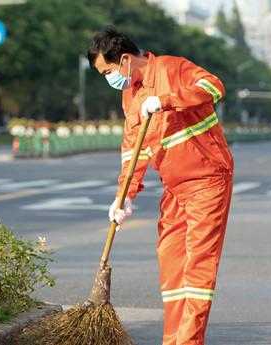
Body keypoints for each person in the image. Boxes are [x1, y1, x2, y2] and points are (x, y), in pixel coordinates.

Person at [88, 27, 234, 345]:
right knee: (171, 265)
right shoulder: (130, 95)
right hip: (174, 187)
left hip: (208, 179)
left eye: (108, 71)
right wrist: (123, 197)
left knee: (197, 266)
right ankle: (173, 339)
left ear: (125, 59)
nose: (109, 79)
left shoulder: (172, 68)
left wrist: (167, 100)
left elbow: (214, 87)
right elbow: (133, 150)